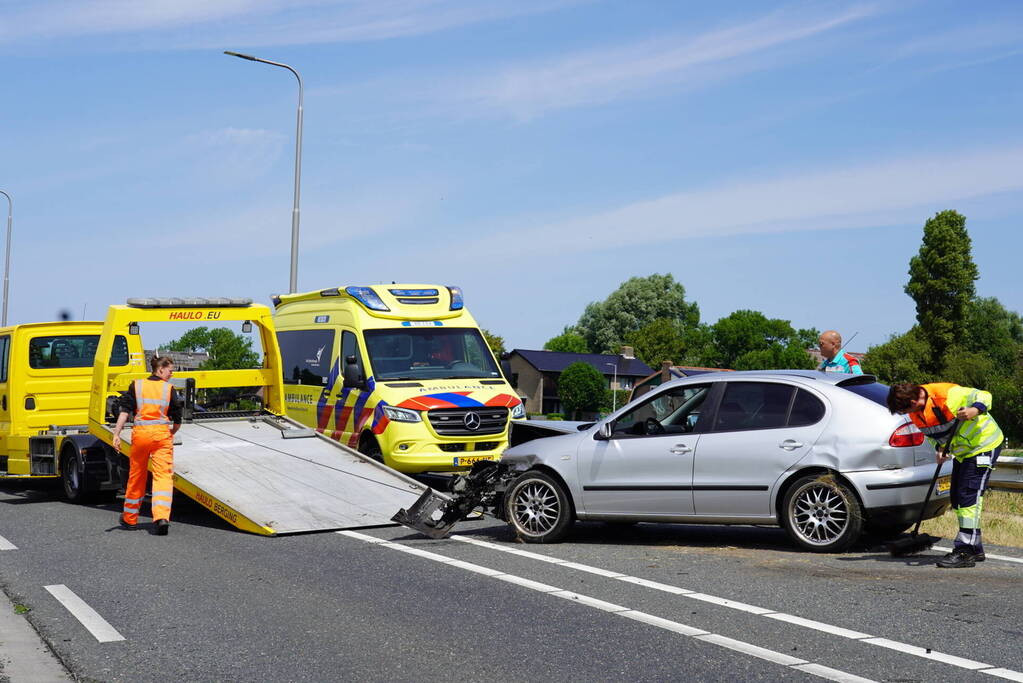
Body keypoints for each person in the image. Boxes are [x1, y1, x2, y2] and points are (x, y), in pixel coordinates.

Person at [887, 382, 1004, 568]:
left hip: (984, 445)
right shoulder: (916, 413)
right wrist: (940, 448)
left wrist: (975, 409)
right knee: (957, 498)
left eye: (905, 409)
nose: (905, 414)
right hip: (964, 452)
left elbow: (985, 395)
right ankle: (976, 547)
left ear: (913, 400)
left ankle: (965, 550)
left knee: (969, 497)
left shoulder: (948, 395)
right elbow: (933, 435)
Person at [112, 356, 183, 535]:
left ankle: (130, 519)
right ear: (160, 370)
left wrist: (116, 434)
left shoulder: (136, 385)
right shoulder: (169, 389)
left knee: (137, 476)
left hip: (141, 436)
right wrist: (171, 433)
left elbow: (124, 411)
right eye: (170, 370)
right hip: (161, 437)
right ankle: (161, 518)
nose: (171, 374)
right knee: (163, 477)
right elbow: (178, 418)